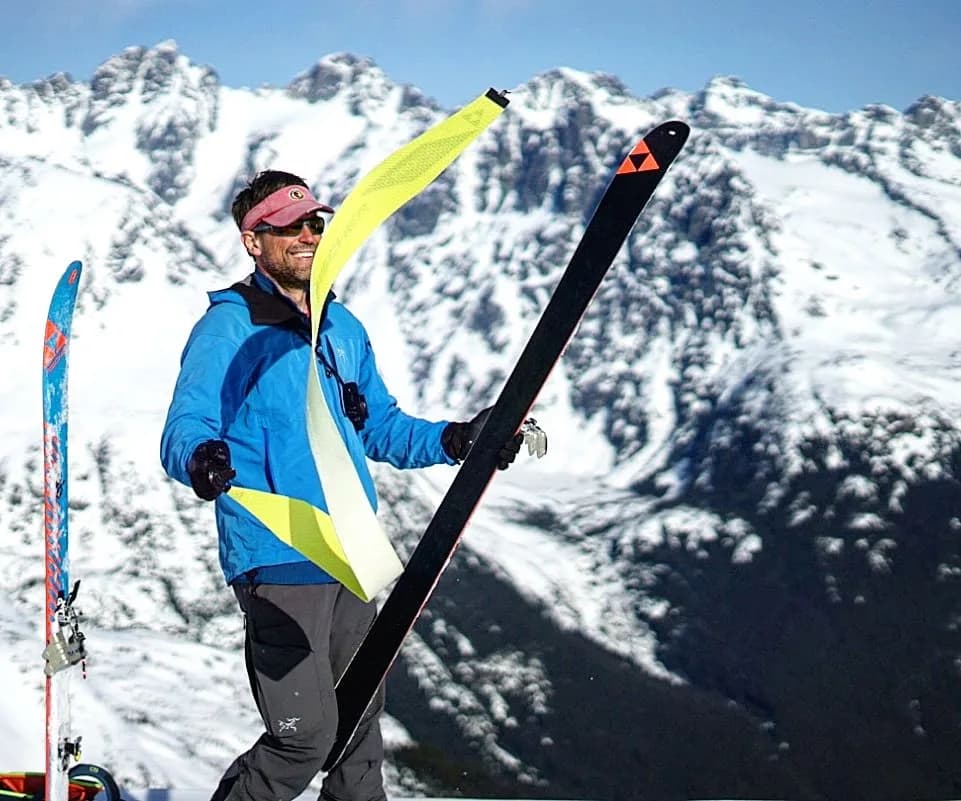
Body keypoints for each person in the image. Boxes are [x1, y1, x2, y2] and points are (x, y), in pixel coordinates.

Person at [159, 170, 523, 801]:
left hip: (351, 549)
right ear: (253, 240)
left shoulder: (341, 327)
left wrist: (460, 439)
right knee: (303, 738)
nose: (308, 235)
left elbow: (379, 427)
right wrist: (200, 459)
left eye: (315, 223)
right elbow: (184, 425)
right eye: (290, 226)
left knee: (357, 734)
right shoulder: (229, 328)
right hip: (278, 554)